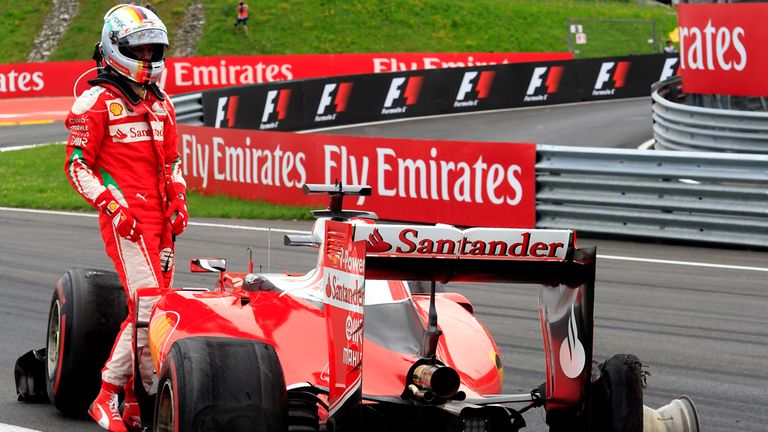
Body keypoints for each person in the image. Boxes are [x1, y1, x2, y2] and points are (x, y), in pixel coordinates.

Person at [63, 4, 188, 431]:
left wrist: (179, 200)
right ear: (116, 47)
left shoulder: (161, 103)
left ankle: (138, 399)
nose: (151, 58)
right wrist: (112, 206)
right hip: (126, 220)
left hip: (162, 225)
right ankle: (107, 395)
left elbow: (172, 162)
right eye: (142, 49)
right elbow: (77, 166)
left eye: (156, 49)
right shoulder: (94, 101)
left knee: (153, 310)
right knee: (150, 304)